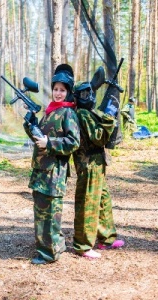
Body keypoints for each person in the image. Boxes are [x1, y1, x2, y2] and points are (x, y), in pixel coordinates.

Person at [23, 64, 80, 264]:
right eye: (56, 89)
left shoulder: (68, 113)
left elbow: (74, 142)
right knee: (41, 210)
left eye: (62, 90)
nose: (58, 93)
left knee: (50, 213)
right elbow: (38, 138)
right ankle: (54, 245)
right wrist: (30, 124)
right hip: (41, 169)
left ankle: (49, 253)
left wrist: (50, 143)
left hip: (55, 171)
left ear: (68, 92)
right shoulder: (50, 111)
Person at [72, 81, 125, 259]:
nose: (89, 97)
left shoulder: (88, 112)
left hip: (96, 163)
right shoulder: (82, 113)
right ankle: (83, 245)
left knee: (103, 201)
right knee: (88, 203)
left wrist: (107, 114)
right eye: (84, 94)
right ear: (77, 97)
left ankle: (106, 238)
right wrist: (109, 116)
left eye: (90, 93)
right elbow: (99, 137)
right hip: (88, 164)